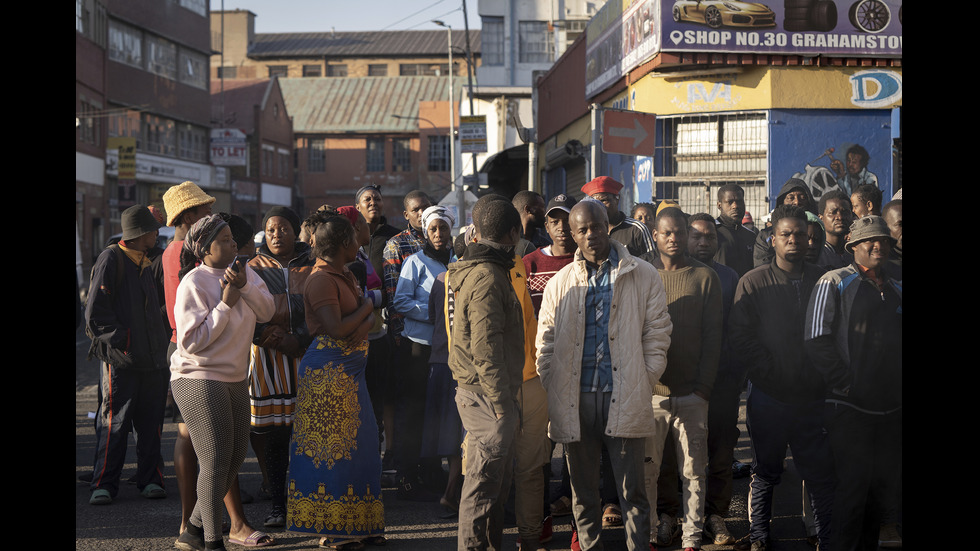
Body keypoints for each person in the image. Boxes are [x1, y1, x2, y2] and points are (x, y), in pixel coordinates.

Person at [536, 199, 673, 551]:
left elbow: (658, 332)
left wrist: (644, 376)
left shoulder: (642, 273)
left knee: (633, 493)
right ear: (573, 235)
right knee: (583, 494)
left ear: (607, 226)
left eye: (596, 226)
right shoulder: (561, 283)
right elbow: (546, 343)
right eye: (582, 230)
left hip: (624, 395)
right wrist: (553, 382)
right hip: (575, 399)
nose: (591, 235)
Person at [729, 205, 835, 551]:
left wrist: (820, 376)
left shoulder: (823, 280)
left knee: (818, 473)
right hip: (768, 396)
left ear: (809, 240)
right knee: (765, 472)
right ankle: (759, 535)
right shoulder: (753, 281)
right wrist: (769, 372)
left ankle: (823, 534)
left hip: (812, 397)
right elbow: (741, 337)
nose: (793, 240)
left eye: (799, 235)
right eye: (785, 234)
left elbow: (833, 333)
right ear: (772, 239)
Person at [170, 214, 275, 551]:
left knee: (233, 459)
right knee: (215, 458)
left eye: (232, 238)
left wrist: (243, 287)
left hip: (233, 375)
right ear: (205, 248)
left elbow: (268, 312)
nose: (233, 244)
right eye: (225, 239)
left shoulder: (246, 274)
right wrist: (225, 305)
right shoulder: (193, 282)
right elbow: (191, 341)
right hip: (197, 375)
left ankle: (194, 529)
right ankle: (213, 541)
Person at [286, 214, 385, 549]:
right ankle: (334, 531)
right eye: (356, 238)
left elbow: (357, 324)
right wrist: (368, 307)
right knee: (333, 452)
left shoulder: (344, 273)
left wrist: (362, 318)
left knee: (363, 446)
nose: (360, 242)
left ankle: (362, 523)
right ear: (344, 243)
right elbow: (337, 329)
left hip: (351, 370)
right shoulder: (320, 280)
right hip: (329, 374)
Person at [805, 215, 902, 551]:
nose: (878, 246)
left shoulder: (896, 286)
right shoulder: (833, 281)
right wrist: (844, 384)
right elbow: (817, 339)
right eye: (869, 241)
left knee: (879, 493)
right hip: (850, 408)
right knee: (852, 492)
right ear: (853, 246)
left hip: (890, 410)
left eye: (884, 240)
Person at [640, 207, 723, 551]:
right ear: (655, 236)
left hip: (693, 394)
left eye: (680, 232)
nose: (674, 238)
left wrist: (703, 388)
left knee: (694, 472)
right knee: (649, 473)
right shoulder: (643, 276)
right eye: (667, 233)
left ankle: (691, 537)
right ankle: (650, 530)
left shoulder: (705, 278)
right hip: (652, 394)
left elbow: (713, 337)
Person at [448, 200, 526, 551]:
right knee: (482, 489)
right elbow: (485, 348)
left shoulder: (483, 269)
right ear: (513, 233)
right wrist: (501, 404)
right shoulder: (487, 276)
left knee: (493, 487)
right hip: (486, 396)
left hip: (486, 393)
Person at [85, 204, 170, 506]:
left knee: (151, 423)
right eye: (152, 229)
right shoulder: (111, 258)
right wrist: (126, 341)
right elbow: (95, 315)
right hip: (121, 360)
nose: (157, 233)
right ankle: (104, 484)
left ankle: (151, 480)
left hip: (153, 359)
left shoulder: (147, 260)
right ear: (140, 233)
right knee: (115, 423)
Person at [246, 206, 316, 528]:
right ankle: (278, 504)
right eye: (271, 229)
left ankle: (310, 503)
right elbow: (246, 313)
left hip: (309, 355)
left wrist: (298, 338)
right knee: (274, 436)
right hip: (269, 360)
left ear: (296, 229)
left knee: (308, 433)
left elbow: (320, 307)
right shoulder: (252, 267)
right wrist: (271, 337)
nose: (277, 234)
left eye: (284, 227)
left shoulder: (314, 263)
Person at [393, 206, 461, 514]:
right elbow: (400, 300)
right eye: (432, 229)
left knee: (438, 415)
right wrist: (435, 313)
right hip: (419, 347)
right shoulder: (413, 262)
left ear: (450, 231)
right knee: (414, 414)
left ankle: (434, 473)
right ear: (424, 231)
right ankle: (407, 479)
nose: (438, 234)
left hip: (447, 350)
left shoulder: (459, 262)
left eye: (442, 229)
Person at [686, 212, 741, 546]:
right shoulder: (668, 272)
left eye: (710, 237)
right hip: (679, 380)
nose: (703, 242)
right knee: (676, 453)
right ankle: (673, 515)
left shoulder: (730, 277)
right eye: (697, 236)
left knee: (720, 449)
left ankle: (716, 516)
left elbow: (737, 330)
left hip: (721, 381)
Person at [382, 190, 438, 500]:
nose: (422, 213)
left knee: (436, 406)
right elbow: (395, 299)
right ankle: (408, 472)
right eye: (416, 210)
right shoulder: (398, 245)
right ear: (407, 215)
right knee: (411, 408)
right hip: (409, 340)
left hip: (441, 342)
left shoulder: (443, 243)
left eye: (427, 208)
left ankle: (432, 467)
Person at [354, 185, 400, 466]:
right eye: (367, 199)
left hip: (385, 325)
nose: (373, 203)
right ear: (357, 207)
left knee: (386, 393)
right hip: (357, 328)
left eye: (377, 198)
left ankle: (390, 450)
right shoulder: (348, 238)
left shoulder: (393, 236)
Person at [582, 176, 655, 256]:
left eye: (604, 201)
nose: (601, 206)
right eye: (595, 203)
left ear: (617, 199)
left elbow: (652, 261)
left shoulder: (637, 229)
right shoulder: (590, 232)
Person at [753, 178, 818, 268]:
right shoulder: (766, 235)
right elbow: (762, 267)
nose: (797, 202)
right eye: (791, 198)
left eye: (802, 198)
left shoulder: (820, 230)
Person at [713, 184, 755, 278]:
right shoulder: (711, 233)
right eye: (730, 202)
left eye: (739, 201)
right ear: (719, 205)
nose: (735, 206)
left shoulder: (751, 236)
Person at [816, 190, 854, 272]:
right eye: (833, 212)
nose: (840, 217)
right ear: (821, 218)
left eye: (845, 212)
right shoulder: (816, 254)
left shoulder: (855, 252)